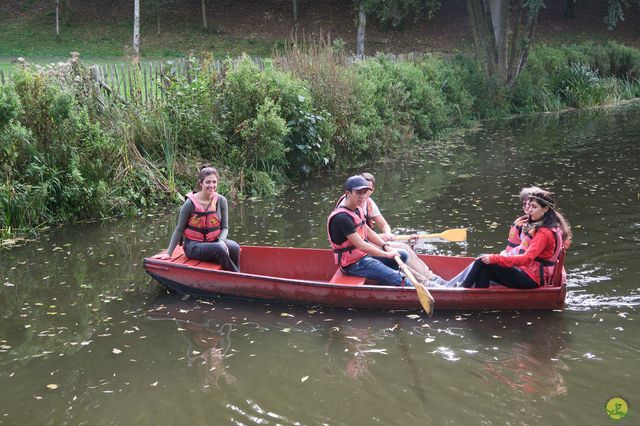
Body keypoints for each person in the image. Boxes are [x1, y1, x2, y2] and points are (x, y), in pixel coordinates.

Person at [460, 190, 572, 289]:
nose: (530, 210)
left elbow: (526, 259)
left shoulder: (544, 233)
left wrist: (495, 258)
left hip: (532, 278)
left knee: (481, 259)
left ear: (546, 209)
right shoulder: (551, 227)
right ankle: (479, 301)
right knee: (485, 270)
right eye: (529, 206)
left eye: (534, 207)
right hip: (530, 272)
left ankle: (461, 290)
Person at [353, 172, 446, 287]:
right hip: (360, 250)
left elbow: (382, 224)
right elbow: (360, 238)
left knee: (404, 247)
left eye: (367, 190)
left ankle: (431, 277)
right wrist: (383, 242)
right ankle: (425, 283)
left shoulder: (368, 203)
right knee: (398, 254)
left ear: (372, 190)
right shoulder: (352, 207)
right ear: (352, 190)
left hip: (369, 242)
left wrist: (388, 234)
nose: (364, 194)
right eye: (360, 191)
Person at [153, 166, 240, 272]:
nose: (211, 185)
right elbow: (179, 229)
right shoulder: (189, 204)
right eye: (208, 182)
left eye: (214, 182)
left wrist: (221, 240)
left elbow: (225, 227)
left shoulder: (221, 201)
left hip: (214, 241)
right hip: (193, 246)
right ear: (201, 183)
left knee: (234, 247)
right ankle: (237, 276)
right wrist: (168, 253)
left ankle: (236, 274)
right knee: (219, 249)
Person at [327, 175, 410, 286]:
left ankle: (386, 283)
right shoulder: (342, 218)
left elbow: (369, 232)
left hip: (363, 256)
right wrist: (386, 254)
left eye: (364, 192)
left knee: (403, 255)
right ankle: (397, 282)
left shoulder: (357, 209)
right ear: (348, 193)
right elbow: (362, 245)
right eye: (358, 193)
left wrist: (385, 246)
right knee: (401, 278)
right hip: (353, 264)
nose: (362, 196)